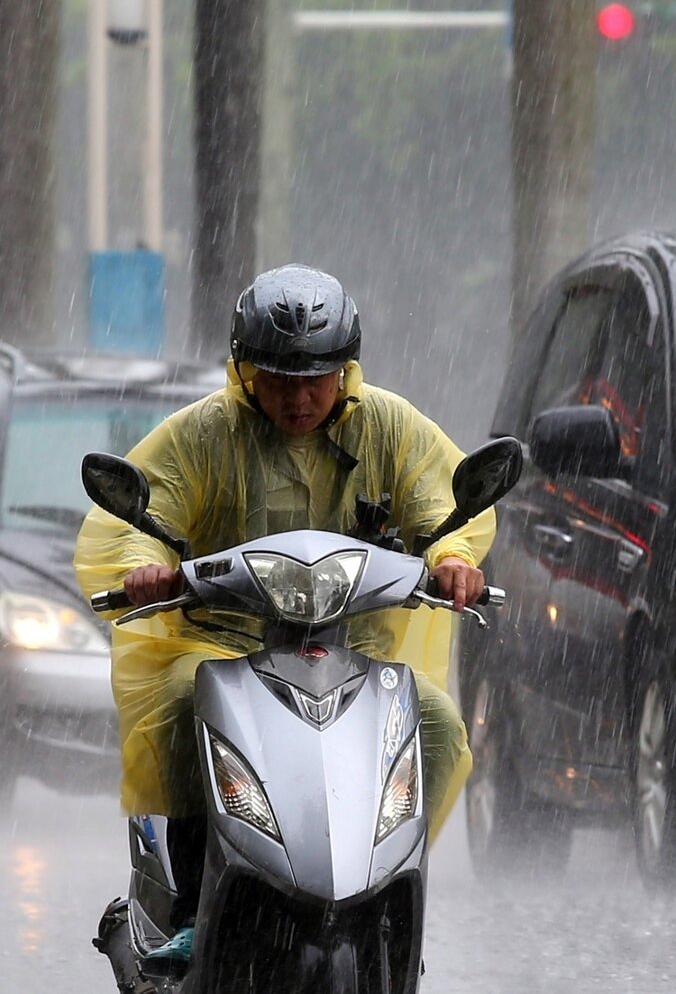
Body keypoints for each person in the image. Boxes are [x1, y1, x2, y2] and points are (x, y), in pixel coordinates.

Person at [74, 263, 495, 971]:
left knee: (441, 727)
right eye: (277, 377)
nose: (298, 396)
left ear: (346, 370)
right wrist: (144, 567)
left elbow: (441, 507)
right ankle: (189, 908)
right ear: (244, 372)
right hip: (222, 647)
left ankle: (389, 901)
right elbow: (145, 517)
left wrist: (453, 558)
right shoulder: (205, 433)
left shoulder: (390, 426)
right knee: (184, 701)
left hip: (354, 650)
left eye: (316, 376)